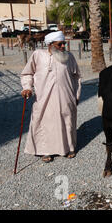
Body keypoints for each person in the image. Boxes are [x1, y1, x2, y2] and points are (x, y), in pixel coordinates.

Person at [20, 31, 82, 163]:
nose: (63, 46)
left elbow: (77, 77)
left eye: (64, 43)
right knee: (45, 122)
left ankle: (68, 148)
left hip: (66, 97)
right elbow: (27, 73)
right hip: (44, 98)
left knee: (67, 122)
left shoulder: (69, 57)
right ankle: (45, 151)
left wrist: (76, 95)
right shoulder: (38, 55)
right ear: (50, 44)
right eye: (60, 44)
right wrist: (27, 87)